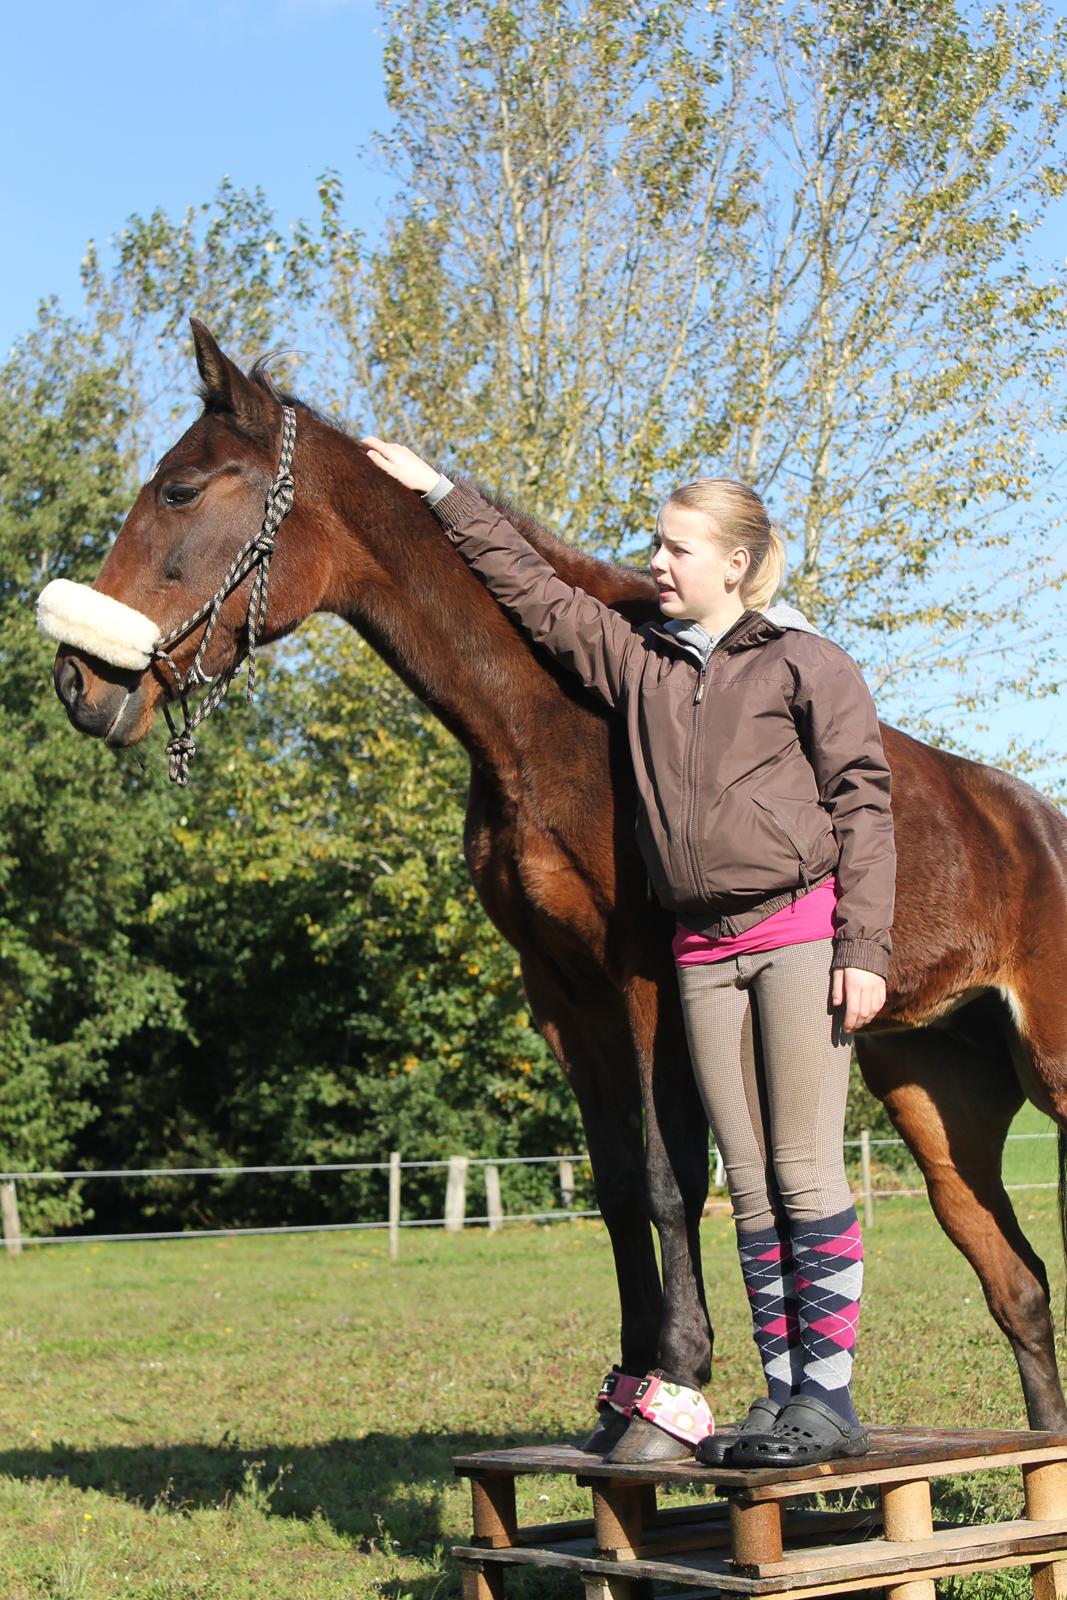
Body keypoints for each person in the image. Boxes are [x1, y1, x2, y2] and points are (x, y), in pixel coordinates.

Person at [361, 438, 895, 1468]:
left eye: (675, 545)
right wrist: (437, 492)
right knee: (742, 1175)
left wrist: (861, 944)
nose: (655, 560)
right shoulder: (636, 661)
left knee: (800, 1168)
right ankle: (780, 1400)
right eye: (656, 542)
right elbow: (524, 587)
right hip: (700, 953)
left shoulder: (803, 661)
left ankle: (826, 1397)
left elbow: (861, 804)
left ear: (734, 562)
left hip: (793, 934)